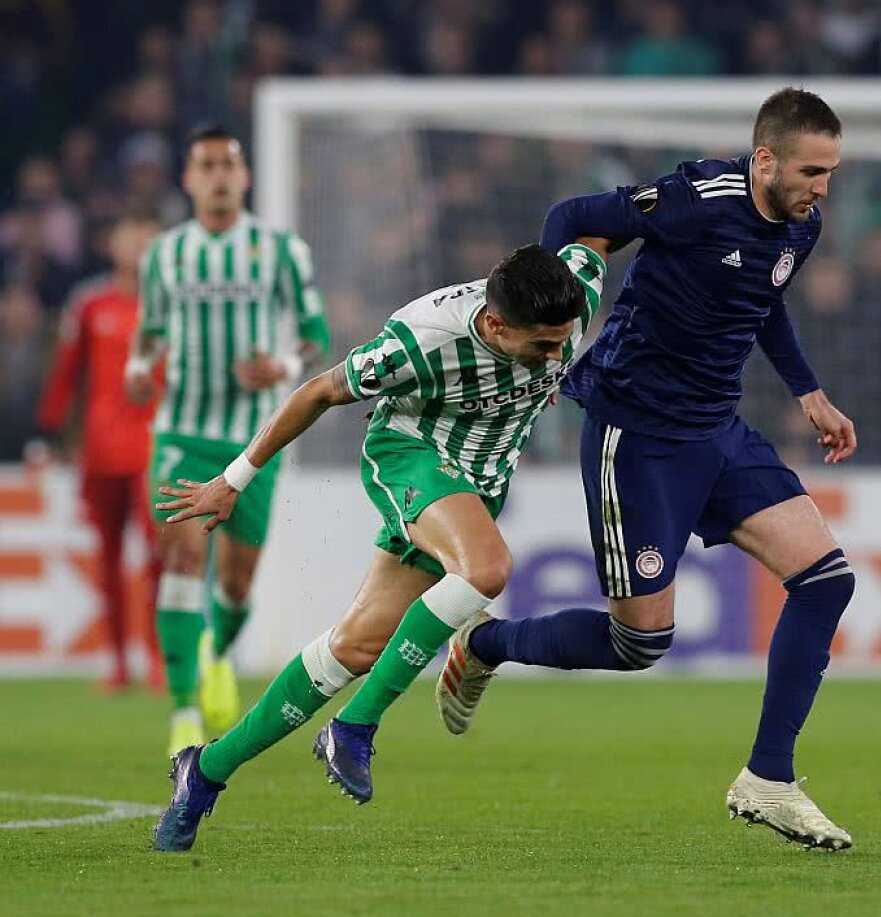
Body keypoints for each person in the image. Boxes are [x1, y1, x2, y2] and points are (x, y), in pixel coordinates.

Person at [435, 88, 857, 851]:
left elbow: (766, 299)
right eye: (811, 170)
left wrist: (809, 392)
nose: (822, 187)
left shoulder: (804, 224)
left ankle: (769, 777)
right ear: (765, 160)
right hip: (635, 435)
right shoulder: (696, 197)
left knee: (828, 578)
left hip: (716, 432)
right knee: (641, 645)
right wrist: (551, 320)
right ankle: (484, 645)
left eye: (829, 171)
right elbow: (573, 216)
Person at [150, 241, 606, 852]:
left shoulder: (573, 290)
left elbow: (596, 230)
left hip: (479, 484)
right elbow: (317, 392)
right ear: (496, 325)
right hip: (410, 458)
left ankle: (204, 770)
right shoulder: (419, 344)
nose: (555, 356)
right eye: (543, 346)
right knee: (488, 567)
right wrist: (234, 480)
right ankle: (356, 726)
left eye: (563, 341)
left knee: (356, 647)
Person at [125, 125, 331, 756]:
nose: (217, 175)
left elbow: (313, 334)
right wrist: (136, 369)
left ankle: (215, 646)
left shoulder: (281, 251)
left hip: (255, 440)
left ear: (244, 177)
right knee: (183, 562)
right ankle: (184, 713)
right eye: (205, 165)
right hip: (184, 430)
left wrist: (286, 369)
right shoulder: (165, 254)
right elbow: (150, 333)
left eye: (228, 164)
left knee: (237, 586)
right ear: (188, 180)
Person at [36, 215, 164, 691]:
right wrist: (49, 433)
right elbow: (67, 373)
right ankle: (116, 662)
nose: (138, 246)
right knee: (108, 555)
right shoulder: (90, 304)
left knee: (157, 554)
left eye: (148, 239)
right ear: (112, 244)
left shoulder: (174, 311)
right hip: (102, 449)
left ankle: (155, 658)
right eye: (131, 236)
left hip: (154, 449)